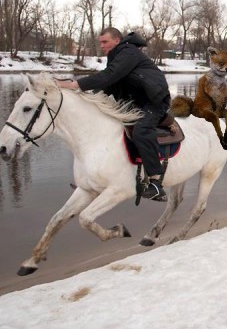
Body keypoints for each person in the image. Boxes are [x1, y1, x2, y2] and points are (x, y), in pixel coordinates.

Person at [55, 28, 171, 201]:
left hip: (154, 101)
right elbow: (109, 84)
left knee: (141, 130)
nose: (101, 46)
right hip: (136, 101)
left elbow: (109, 76)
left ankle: (155, 183)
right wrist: (85, 97)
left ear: (117, 40)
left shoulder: (128, 52)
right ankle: (101, 178)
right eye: (100, 42)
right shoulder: (116, 56)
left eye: (105, 42)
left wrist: (75, 84)